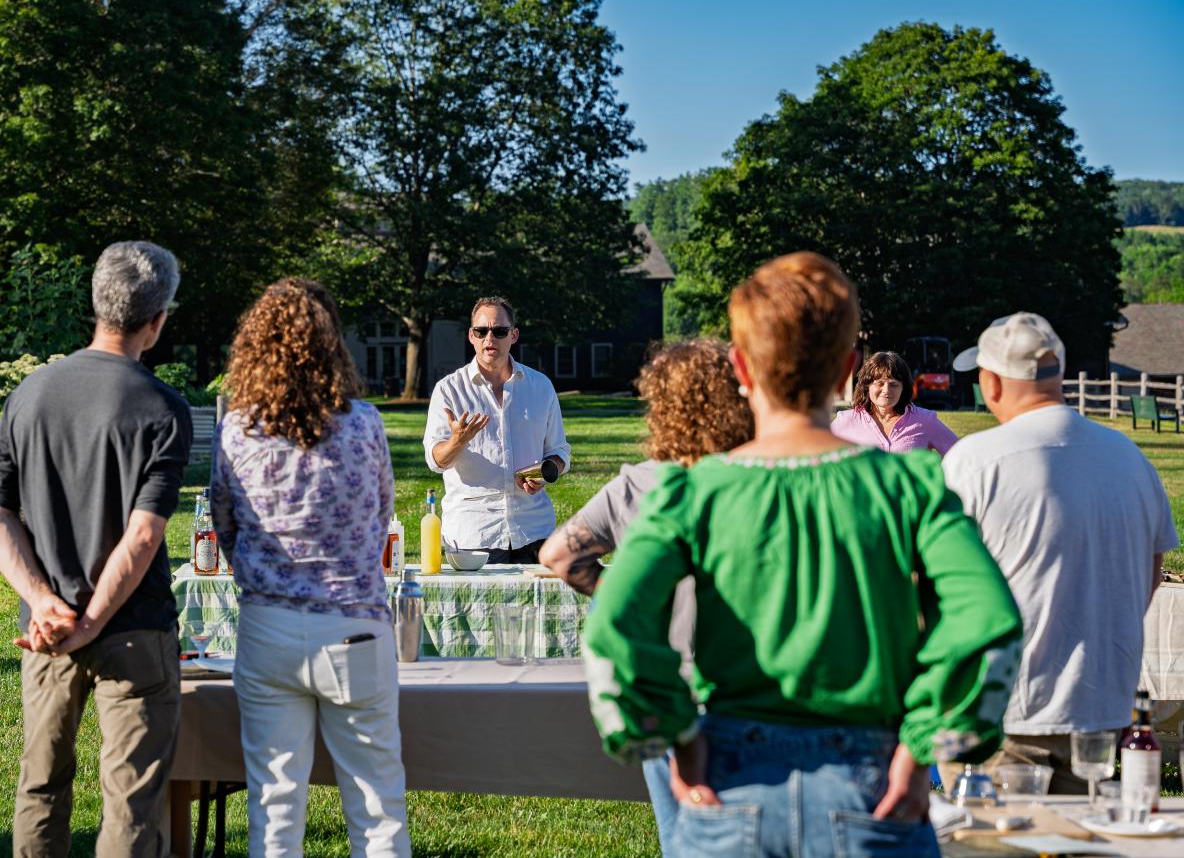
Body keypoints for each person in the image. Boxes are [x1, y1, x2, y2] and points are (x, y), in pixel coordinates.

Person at [583, 252, 1023, 858]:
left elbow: (614, 627)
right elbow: (989, 623)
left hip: (727, 779)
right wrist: (927, 748)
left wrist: (674, 737)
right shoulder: (909, 486)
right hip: (872, 780)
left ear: (740, 366)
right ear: (848, 370)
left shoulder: (693, 492)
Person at [0, 241, 192, 858]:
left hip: (44, 630)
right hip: (133, 631)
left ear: (97, 304)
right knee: (131, 803)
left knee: (40, 787)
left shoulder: (30, 395)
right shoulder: (163, 408)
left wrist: (46, 603)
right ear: (157, 321)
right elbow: (144, 535)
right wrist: (92, 620)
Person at [940, 312, 1179, 793]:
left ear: (991, 382)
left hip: (998, 712)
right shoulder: (1130, 459)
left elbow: (931, 587)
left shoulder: (974, 461)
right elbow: (1151, 574)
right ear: (1061, 375)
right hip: (1103, 708)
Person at [212, 278, 410, 858]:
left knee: (274, 812)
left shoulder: (237, 432)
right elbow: (381, 517)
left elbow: (225, 529)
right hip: (354, 626)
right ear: (332, 346)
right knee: (378, 813)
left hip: (269, 627)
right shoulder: (365, 423)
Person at [538, 338, 751, 855]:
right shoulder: (758, 478)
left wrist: (628, 595)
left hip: (667, 687)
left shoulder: (639, 485)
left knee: (679, 838)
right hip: (750, 687)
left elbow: (559, 557)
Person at [422, 296, 571, 563]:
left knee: (542, 606)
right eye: (481, 331)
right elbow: (435, 461)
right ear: (471, 335)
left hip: (534, 531)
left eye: (499, 331)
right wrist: (457, 441)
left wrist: (546, 472)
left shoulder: (540, 386)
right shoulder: (449, 390)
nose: (490, 338)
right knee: (476, 607)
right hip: (473, 533)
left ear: (513, 335)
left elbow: (559, 451)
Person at [831, 351, 958, 455]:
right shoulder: (846, 420)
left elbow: (957, 453)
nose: (886, 390)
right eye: (879, 383)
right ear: (867, 386)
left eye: (894, 385)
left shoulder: (925, 420)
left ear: (904, 388)